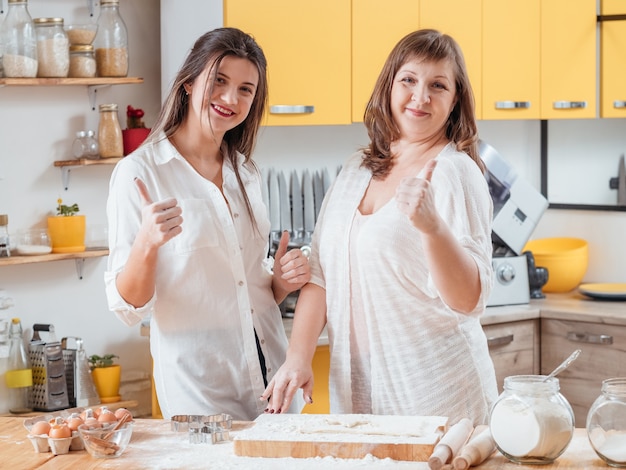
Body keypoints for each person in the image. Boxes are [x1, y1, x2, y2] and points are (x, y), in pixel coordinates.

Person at [262, 29, 498, 425]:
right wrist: (298, 358)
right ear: (389, 85)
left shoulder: (456, 173)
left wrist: (433, 229)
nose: (420, 97)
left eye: (437, 85)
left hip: (437, 394)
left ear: (455, 100)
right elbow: (322, 272)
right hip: (355, 390)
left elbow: (470, 299)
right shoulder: (357, 169)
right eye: (409, 80)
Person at [104, 27, 309, 421]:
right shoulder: (139, 174)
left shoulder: (245, 172)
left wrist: (281, 281)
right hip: (200, 391)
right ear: (188, 83)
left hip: (274, 384)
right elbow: (126, 307)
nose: (230, 98)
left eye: (246, 89)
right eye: (219, 81)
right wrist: (147, 244)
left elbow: (246, 284)